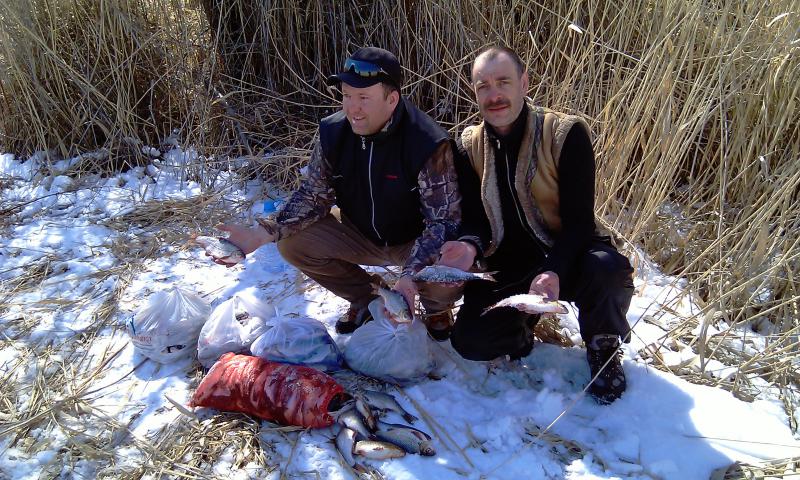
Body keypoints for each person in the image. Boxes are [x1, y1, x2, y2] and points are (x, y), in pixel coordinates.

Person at [211, 47, 462, 338]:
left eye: (364, 98)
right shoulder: (333, 133)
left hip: (413, 242)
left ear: (392, 99)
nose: (352, 108)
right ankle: (367, 297)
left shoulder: (427, 143)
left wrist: (409, 275)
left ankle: (436, 309)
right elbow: (313, 194)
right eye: (346, 95)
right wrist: (262, 233)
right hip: (358, 233)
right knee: (291, 244)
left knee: (450, 262)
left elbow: (443, 223)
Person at [437, 46, 635, 404]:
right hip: (509, 262)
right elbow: (476, 220)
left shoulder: (564, 133)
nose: (494, 95)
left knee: (607, 268)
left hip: (568, 253)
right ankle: (521, 331)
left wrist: (553, 269)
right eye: (483, 86)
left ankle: (603, 346)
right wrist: (468, 245)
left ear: (524, 83)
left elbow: (579, 222)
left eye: (503, 82)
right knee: (470, 342)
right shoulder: (467, 146)